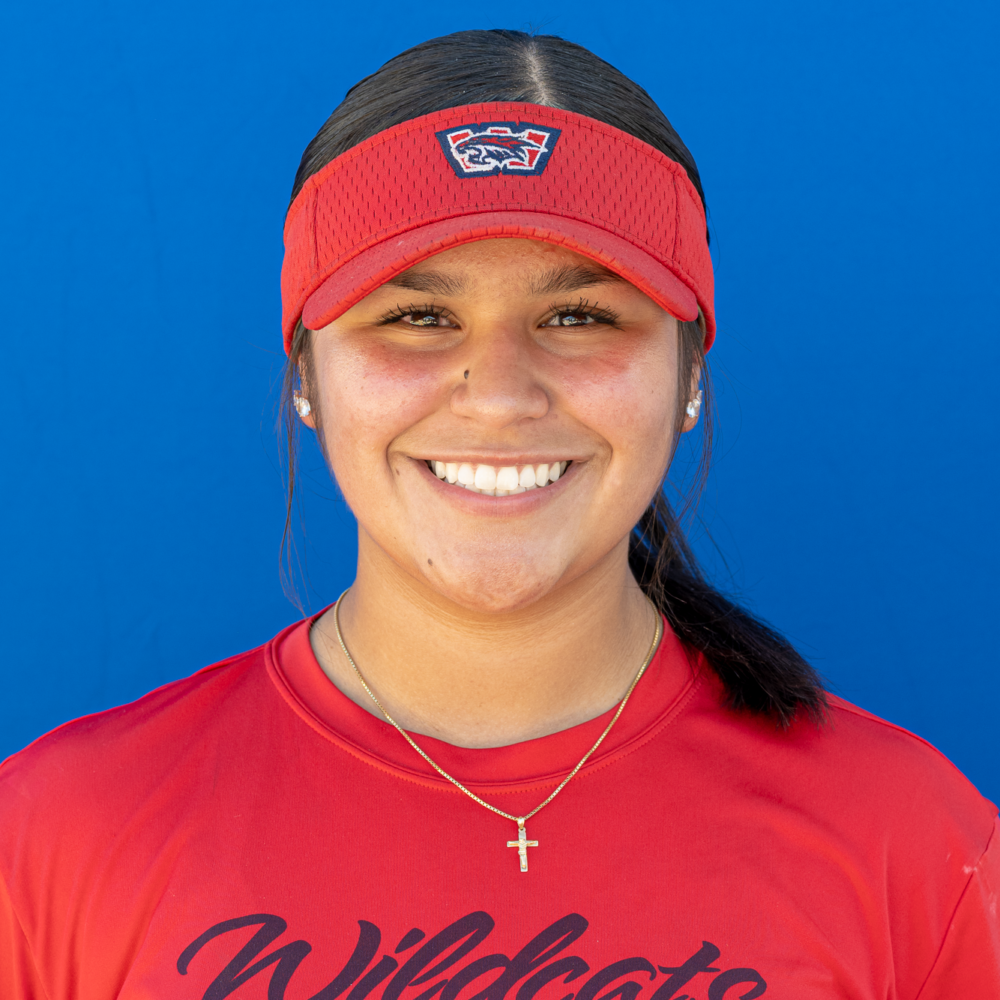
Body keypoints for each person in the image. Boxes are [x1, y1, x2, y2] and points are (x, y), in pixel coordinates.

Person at [1, 28, 996, 1000]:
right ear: (304, 374)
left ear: (690, 374)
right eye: (417, 317)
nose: (500, 396)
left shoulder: (914, 849)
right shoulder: (55, 840)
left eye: (580, 316)